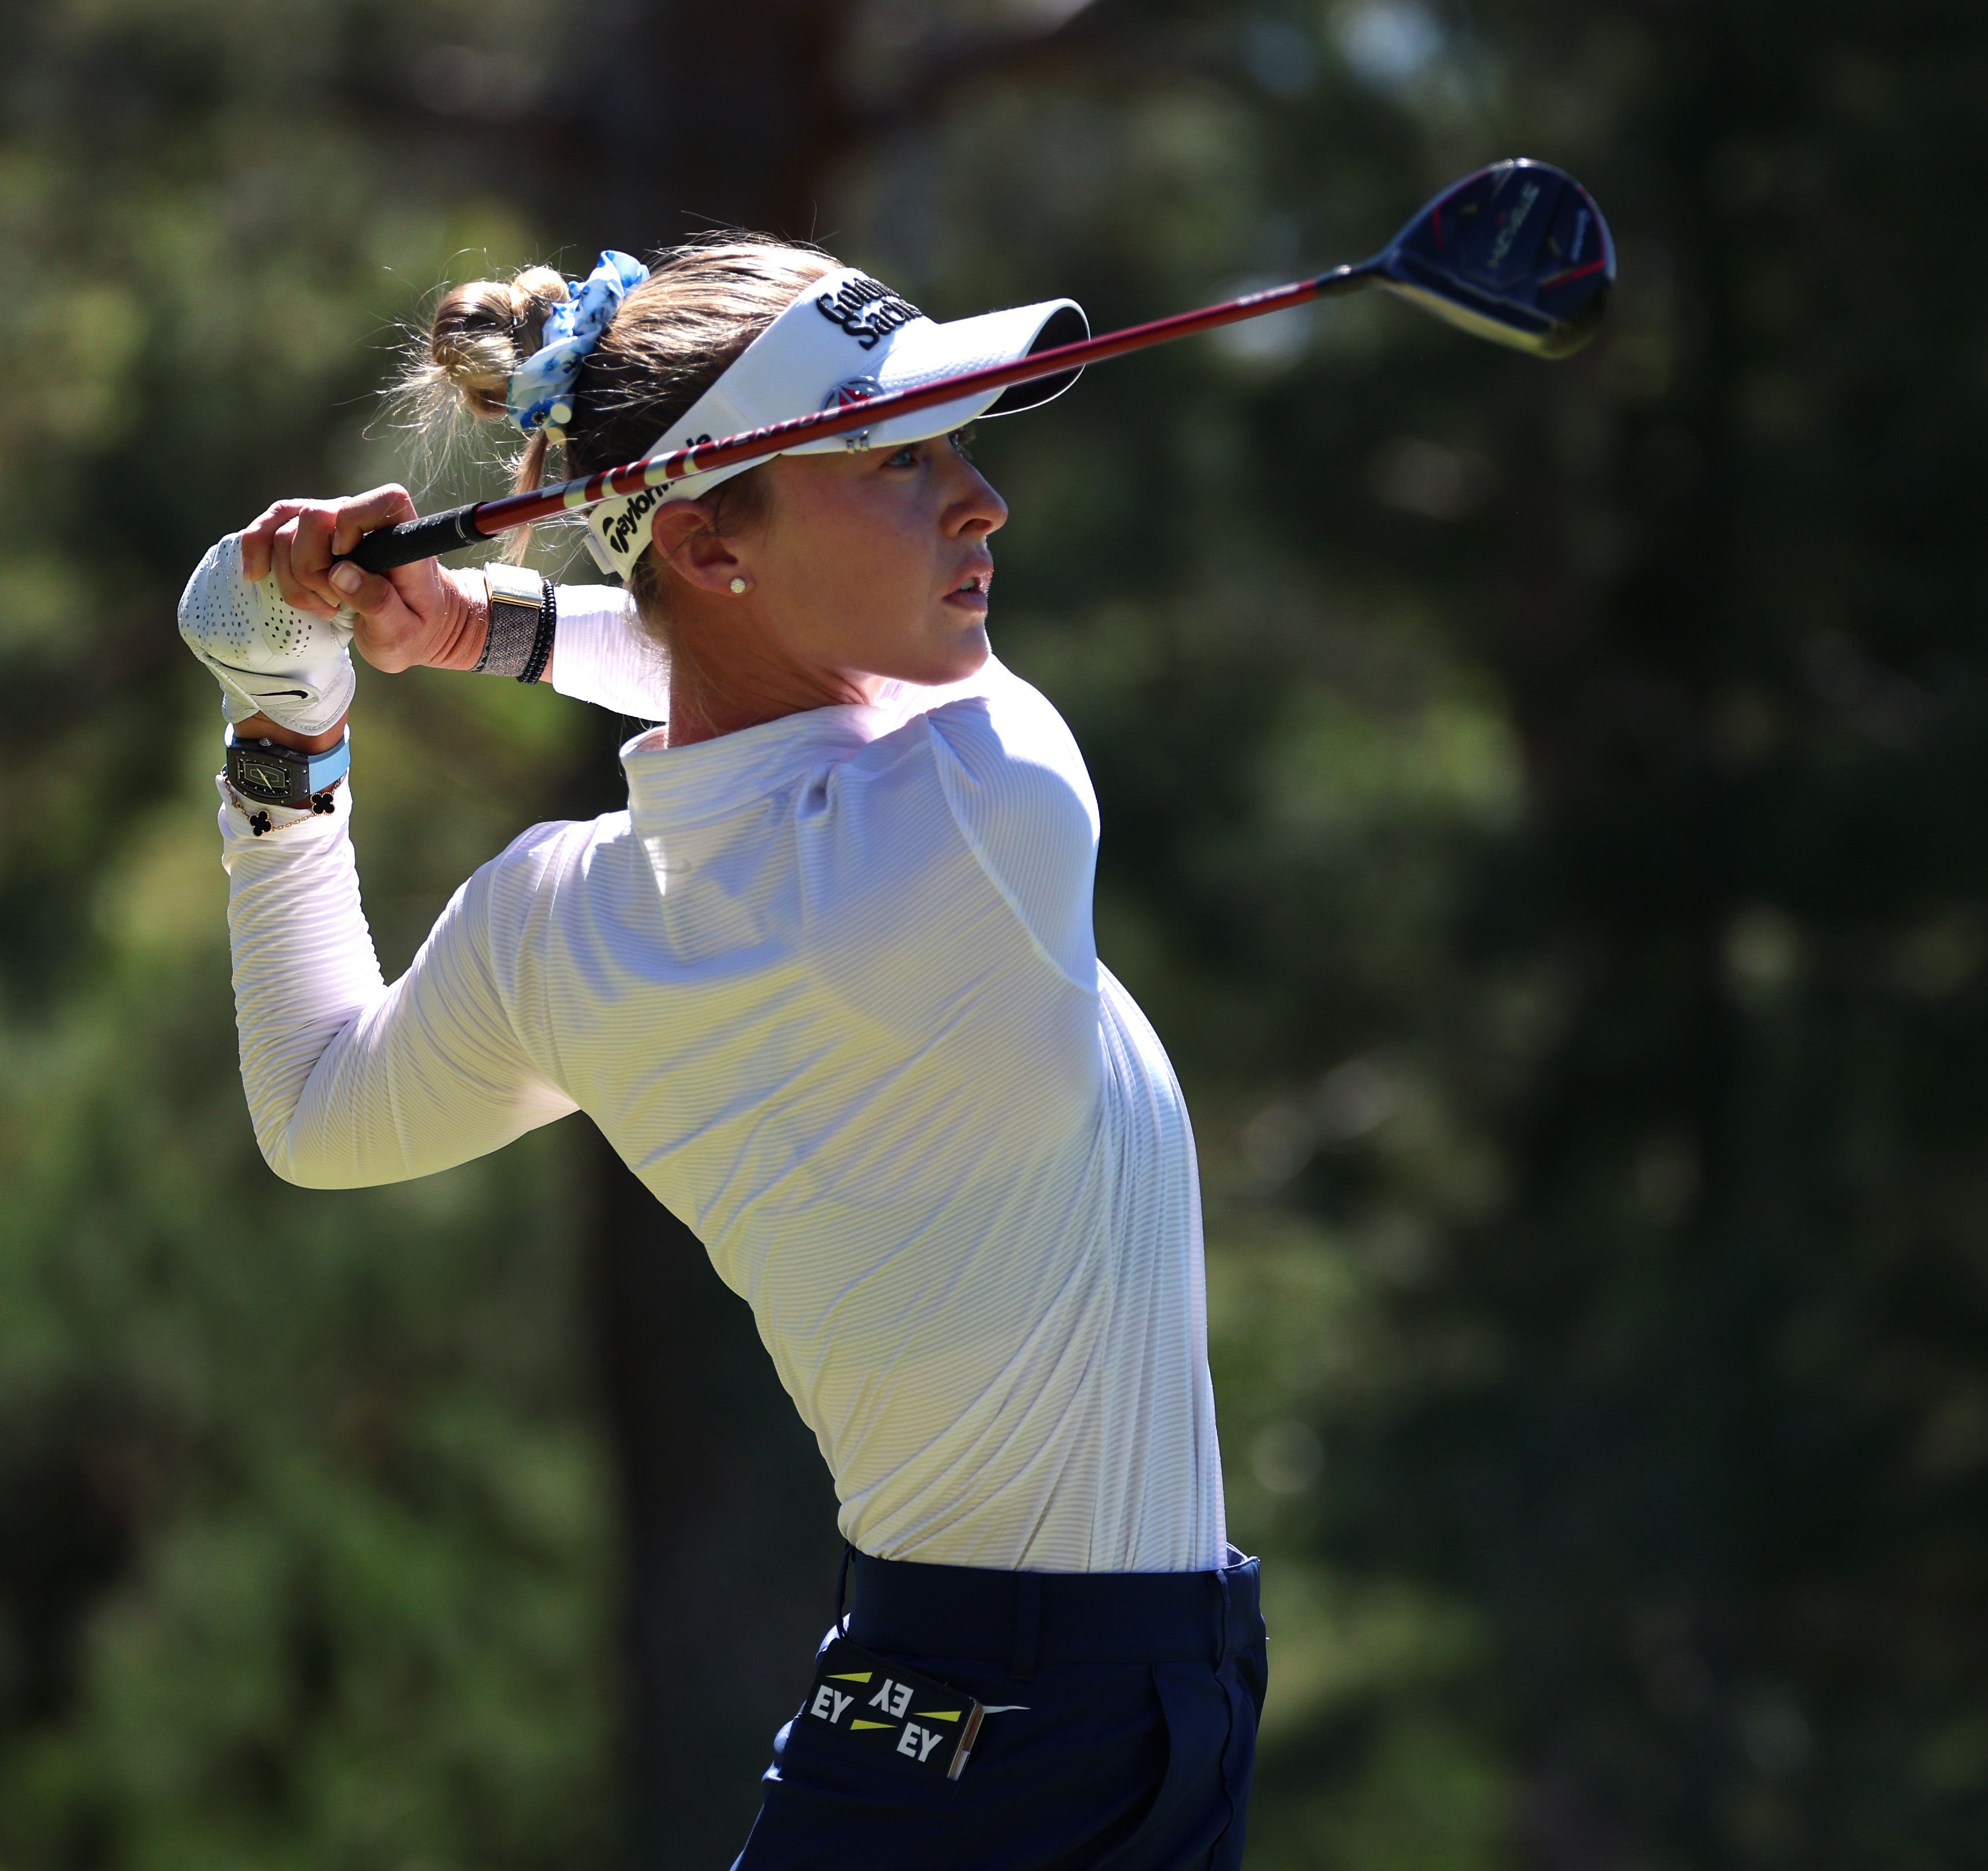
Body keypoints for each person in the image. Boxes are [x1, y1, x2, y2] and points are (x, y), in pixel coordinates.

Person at [176, 240, 1262, 1868]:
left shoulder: (565, 922)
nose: (982, 504)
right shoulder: (990, 805)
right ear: (703, 540)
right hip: (1036, 1726)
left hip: (1005, 1706)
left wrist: (285, 718)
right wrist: (484, 631)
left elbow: (318, 1108)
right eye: (899, 462)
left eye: (959, 449)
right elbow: (807, 692)